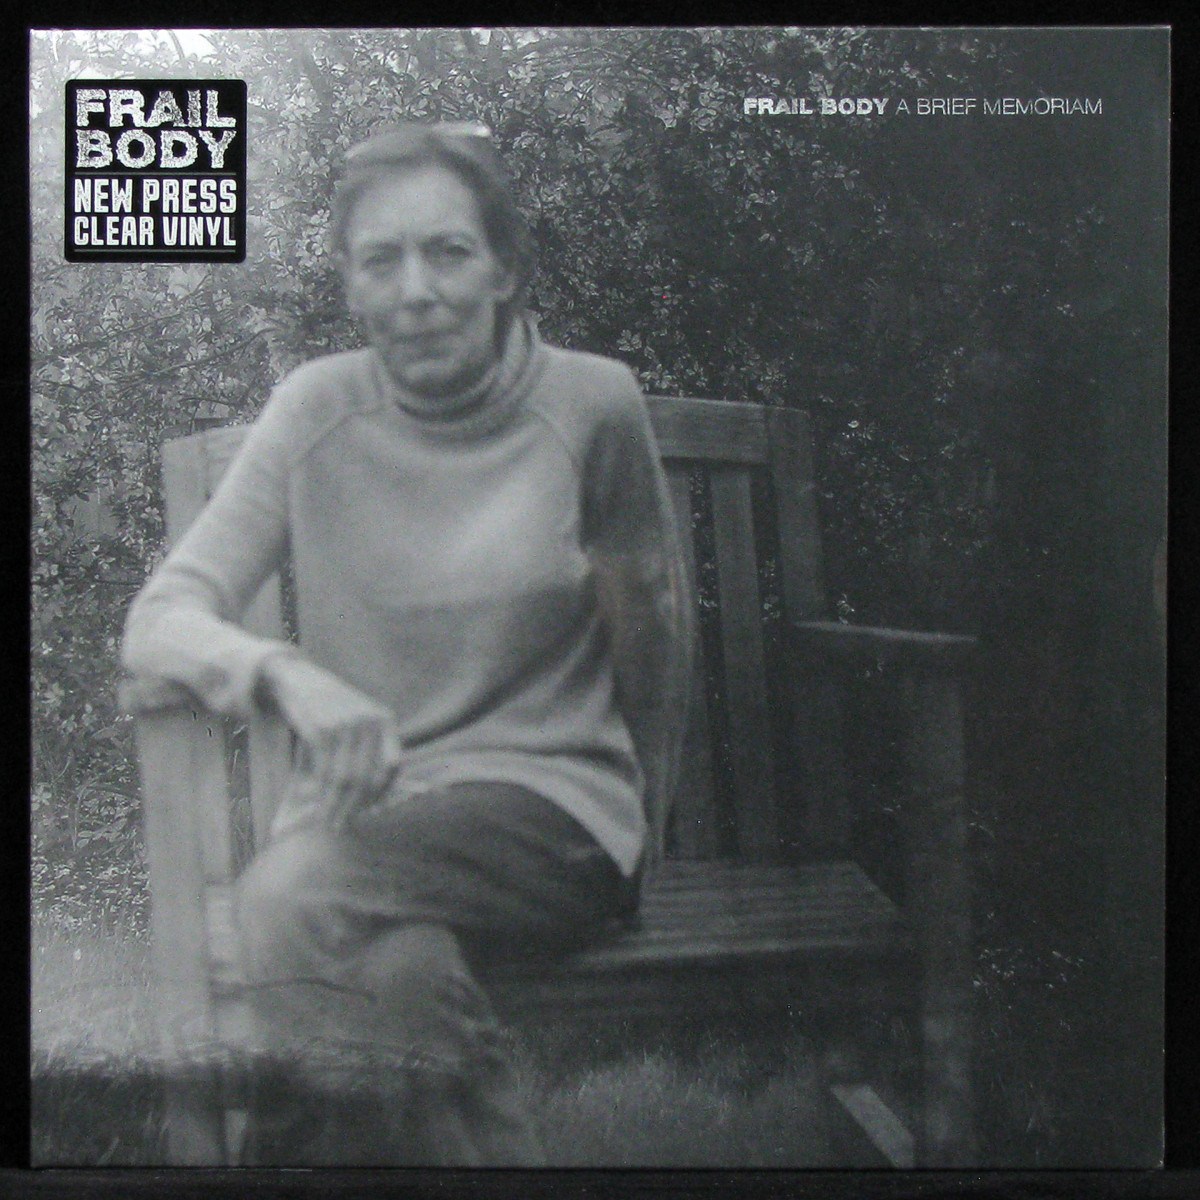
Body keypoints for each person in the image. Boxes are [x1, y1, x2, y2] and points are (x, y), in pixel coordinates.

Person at [120, 122, 693, 1166]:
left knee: (284, 901)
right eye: (381, 260)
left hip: (552, 823)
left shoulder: (591, 403)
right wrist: (282, 673)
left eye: (448, 252)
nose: (415, 290)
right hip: (372, 836)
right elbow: (159, 620)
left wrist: (643, 823)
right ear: (349, 284)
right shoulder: (315, 409)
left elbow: (650, 625)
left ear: (505, 269)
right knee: (394, 979)